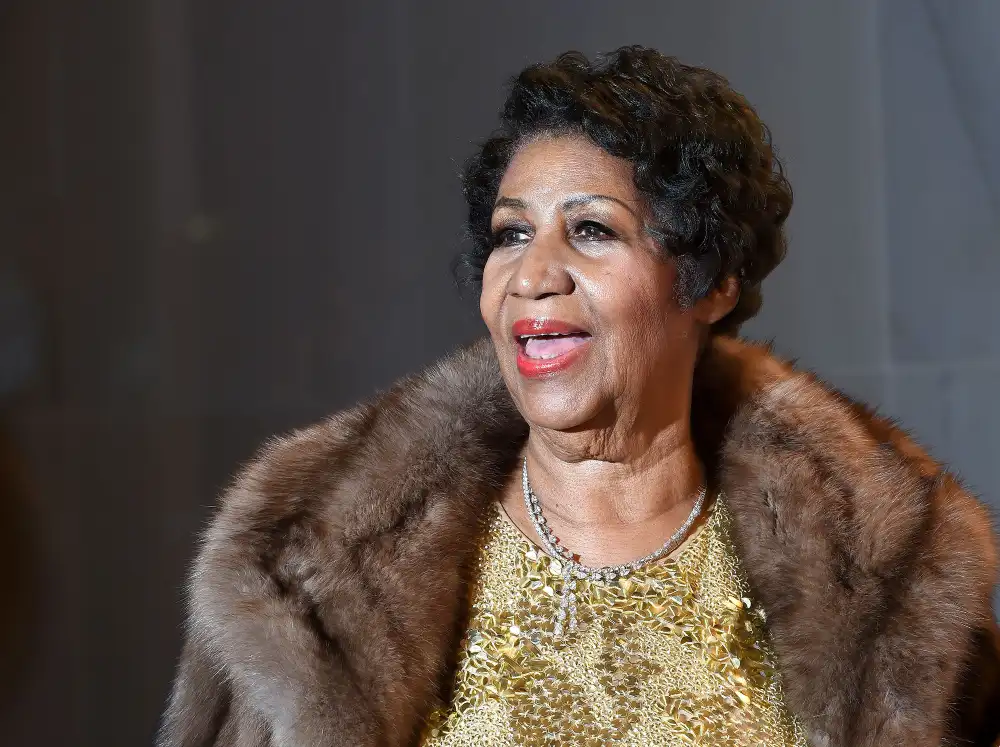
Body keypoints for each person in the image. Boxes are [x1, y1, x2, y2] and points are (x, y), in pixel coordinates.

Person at [158, 47, 1000, 746]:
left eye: (591, 229)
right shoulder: (306, 570)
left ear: (710, 282)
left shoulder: (886, 578)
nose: (532, 274)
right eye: (511, 234)